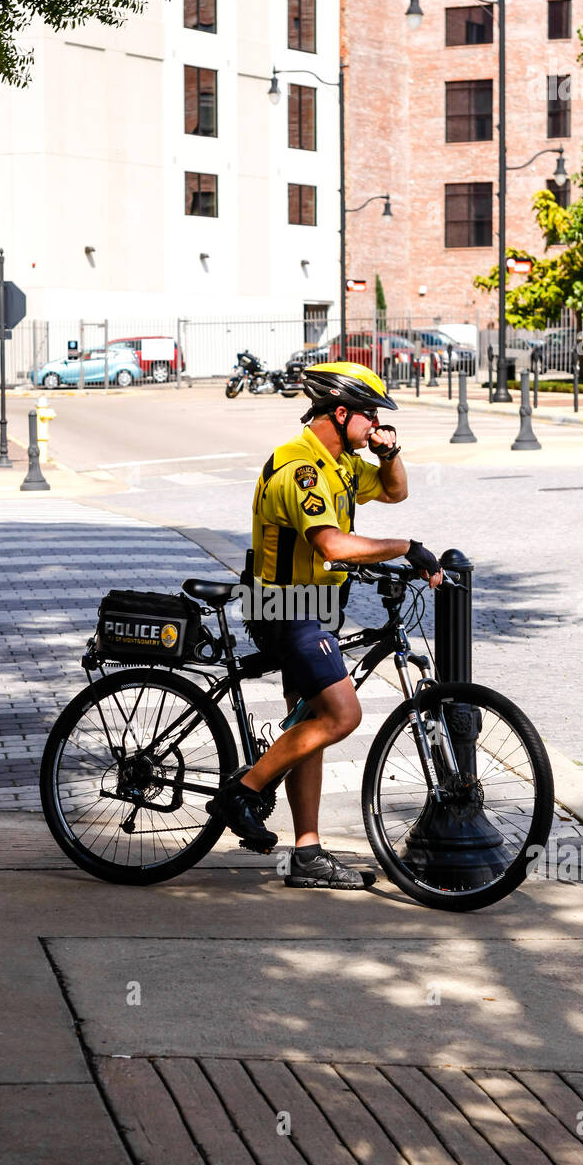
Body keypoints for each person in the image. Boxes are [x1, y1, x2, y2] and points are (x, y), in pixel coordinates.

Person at [207, 360, 443, 889]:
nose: (379, 424)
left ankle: (307, 854)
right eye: (372, 416)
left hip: (315, 606)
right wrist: (406, 547)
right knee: (341, 714)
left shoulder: (338, 460)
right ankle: (242, 792)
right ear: (342, 412)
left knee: (308, 724)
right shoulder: (301, 468)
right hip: (284, 608)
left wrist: (390, 452)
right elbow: (331, 545)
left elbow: (394, 491)